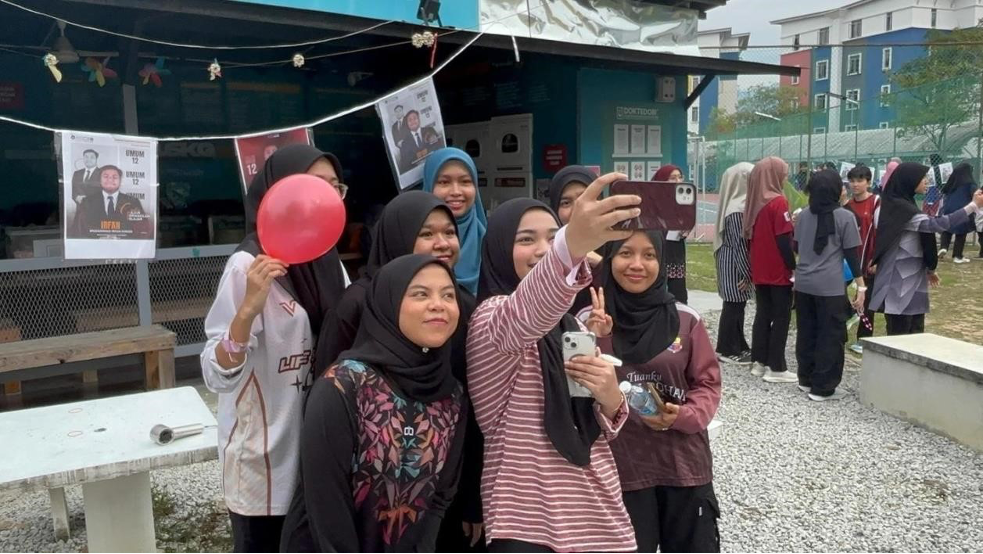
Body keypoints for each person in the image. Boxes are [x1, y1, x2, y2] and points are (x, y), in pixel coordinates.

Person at [466, 174, 641, 553]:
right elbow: (527, 312)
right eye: (526, 239)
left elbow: (597, 423)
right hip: (526, 522)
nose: (543, 249)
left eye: (552, 237)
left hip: (597, 517)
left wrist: (612, 398)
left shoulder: (573, 327)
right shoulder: (491, 319)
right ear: (498, 249)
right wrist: (572, 244)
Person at [201, 144, 350, 553]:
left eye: (335, 187)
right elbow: (215, 373)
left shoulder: (329, 259)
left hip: (319, 444)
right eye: (315, 184)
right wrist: (248, 309)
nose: (326, 196)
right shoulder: (247, 266)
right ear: (279, 190)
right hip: (264, 457)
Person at [281, 254, 468, 553]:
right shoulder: (342, 386)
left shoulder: (451, 395)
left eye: (448, 295)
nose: (438, 304)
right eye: (420, 294)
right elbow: (326, 502)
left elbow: (440, 497)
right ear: (387, 304)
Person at [583, 229, 722, 554]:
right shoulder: (588, 320)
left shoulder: (686, 319)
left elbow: (707, 383)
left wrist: (684, 415)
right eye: (625, 253)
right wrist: (599, 338)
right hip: (619, 470)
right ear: (610, 258)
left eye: (649, 255)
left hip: (682, 467)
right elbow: (580, 391)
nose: (637, 264)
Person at [870, 163, 983, 335]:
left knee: (916, 333)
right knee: (899, 336)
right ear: (909, 180)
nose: (926, 181)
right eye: (922, 178)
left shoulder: (904, 204)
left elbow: (920, 239)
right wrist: (972, 206)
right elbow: (935, 225)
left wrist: (929, 268)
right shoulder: (899, 209)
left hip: (913, 278)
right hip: (899, 282)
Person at [793, 170, 866, 402]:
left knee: (807, 332)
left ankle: (805, 378)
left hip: (803, 283)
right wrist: (861, 286)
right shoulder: (845, 217)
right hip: (830, 286)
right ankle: (823, 387)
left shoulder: (803, 215)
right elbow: (852, 255)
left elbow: (796, 247)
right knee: (831, 335)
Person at [743, 156, 797, 384]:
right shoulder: (778, 202)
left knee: (763, 314)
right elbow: (784, 240)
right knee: (782, 317)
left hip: (760, 269)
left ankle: (759, 361)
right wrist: (793, 266)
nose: (785, 178)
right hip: (777, 270)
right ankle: (776, 366)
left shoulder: (753, 204)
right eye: (783, 174)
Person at [422, 148, 487, 295]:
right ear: (429, 185)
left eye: (465, 182)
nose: (456, 191)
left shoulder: (491, 246)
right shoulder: (414, 243)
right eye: (444, 182)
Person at [713, 162, 754, 364]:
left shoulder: (736, 206)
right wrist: (747, 274)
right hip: (734, 265)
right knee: (733, 306)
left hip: (729, 260)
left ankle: (739, 344)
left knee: (737, 305)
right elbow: (740, 246)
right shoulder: (738, 210)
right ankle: (727, 348)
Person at [548, 164, 604, 314]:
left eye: (584, 199)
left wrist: (601, 265)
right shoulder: (545, 254)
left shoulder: (620, 244)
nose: (577, 210)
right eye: (566, 203)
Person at [844, 164, 880, 354]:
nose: (855, 184)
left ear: (868, 182)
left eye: (860, 180)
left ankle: (863, 339)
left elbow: (881, 231)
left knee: (867, 299)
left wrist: (877, 258)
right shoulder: (847, 206)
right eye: (852, 181)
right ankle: (848, 317)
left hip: (869, 259)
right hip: (849, 259)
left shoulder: (876, 202)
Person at [71, 165, 149, 239]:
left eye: (115, 177)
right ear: (99, 180)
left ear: (120, 180)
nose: (110, 180)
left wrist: (121, 239)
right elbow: (77, 230)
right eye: (106, 176)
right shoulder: (87, 202)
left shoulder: (133, 202)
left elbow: (143, 230)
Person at [653, 165, 689, 304]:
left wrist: (686, 228)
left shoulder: (683, 199)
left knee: (679, 294)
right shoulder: (653, 201)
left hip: (675, 252)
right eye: (673, 178)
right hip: (658, 250)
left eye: (680, 177)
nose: (678, 181)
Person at [938, 162, 978, 264]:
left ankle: (943, 247)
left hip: (948, 209)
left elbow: (944, 193)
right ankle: (957, 256)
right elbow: (975, 196)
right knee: (961, 233)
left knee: (947, 229)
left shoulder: (952, 183)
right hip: (963, 210)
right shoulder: (970, 184)